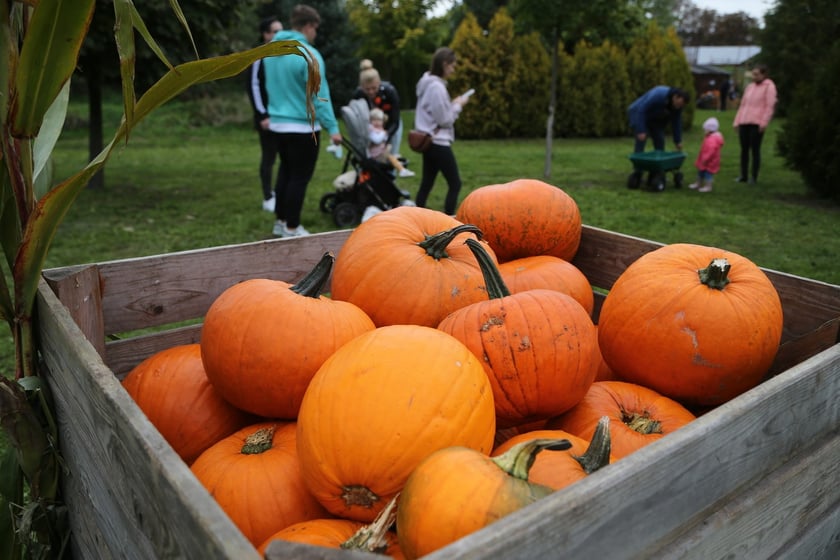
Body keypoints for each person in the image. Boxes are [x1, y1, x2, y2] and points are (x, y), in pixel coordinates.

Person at [263, 4, 342, 238]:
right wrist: (333, 128)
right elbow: (320, 97)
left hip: (278, 124)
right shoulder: (308, 54)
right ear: (308, 26)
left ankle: (281, 221)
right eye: (315, 29)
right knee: (299, 177)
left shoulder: (272, 53)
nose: (315, 34)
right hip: (302, 126)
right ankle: (292, 227)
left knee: (285, 172)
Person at [413, 47, 470, 215]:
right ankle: (449, 220)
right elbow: (444, 120)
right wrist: (458, 105)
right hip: (438, 142)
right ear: (444, 64)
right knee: (455, 183)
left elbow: (437, 112)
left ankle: (416, 217)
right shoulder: (436, 88)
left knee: (427, 183)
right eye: (452, 66)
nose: (453, 70)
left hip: (429, 141)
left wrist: (451, 105)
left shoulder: (427, 83)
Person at [248, 16, 283, 213]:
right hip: (267, 119)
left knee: (285, 157)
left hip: (284, 118)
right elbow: (253, 87)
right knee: (269, 157)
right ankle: (268, 196)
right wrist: (262, 115)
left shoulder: (283, 57)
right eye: (275, 31)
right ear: (266, 34)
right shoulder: (258, 57)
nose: (279, 35)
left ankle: (279, 191)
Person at [733, 64, 777, 184]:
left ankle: (754, 176)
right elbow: (743, 105)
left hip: (756, 123)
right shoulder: (750, 87)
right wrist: (737, 121)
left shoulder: (769, 87)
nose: (754, 77)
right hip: (744, 121)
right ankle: (743, 175)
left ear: (764, 75)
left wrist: (764, 123)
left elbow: (769, 106)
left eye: (757, 74)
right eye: (753, 74)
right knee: (744, 149)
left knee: (755, 149)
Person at [352, 60, 404, 156]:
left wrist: (386, 135)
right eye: (367, 89)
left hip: (390, 125)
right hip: (370, 128)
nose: (371, 92)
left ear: (379, 83)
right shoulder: (358, 95)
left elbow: (395, 120)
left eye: (374, 88)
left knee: (390, 155)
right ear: (361, 86)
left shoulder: (390, 92)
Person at [627, 86, 690, 153]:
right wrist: (641, 130)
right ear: (675, 97)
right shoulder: (659, 95)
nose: (679, 107)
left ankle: (659, 161)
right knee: (641, 138)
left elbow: (676, 122)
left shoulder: (678, 106)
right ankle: (638, 161)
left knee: (660, 140)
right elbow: (642, 110)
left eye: (681, 105)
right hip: (638, 113)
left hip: (654, 118)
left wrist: (678, 141)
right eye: (679, 104)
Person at [368, 108, 414, 177]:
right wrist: (383, 134)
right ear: (370, 121)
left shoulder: (379, 129)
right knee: (390, 157)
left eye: (379, 120)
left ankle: (398, 164)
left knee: (393, 156)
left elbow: (385, 139)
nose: (377, 122)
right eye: (374, 120)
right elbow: (376, 140)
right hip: (376, 154)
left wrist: (383, 134)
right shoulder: (371, 130)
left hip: (381, 152)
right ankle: (402, 170)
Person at [689, 117, 724, 193]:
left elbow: (711, 151)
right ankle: (698, 183)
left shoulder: (712, 140)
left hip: (710, 160)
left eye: (705, 129)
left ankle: (708, 186)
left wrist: (705, 159)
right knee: (700, 171)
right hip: (705, 159)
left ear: (710, 130)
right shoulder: (709, 137)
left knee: (708, 174)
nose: (704, 131)